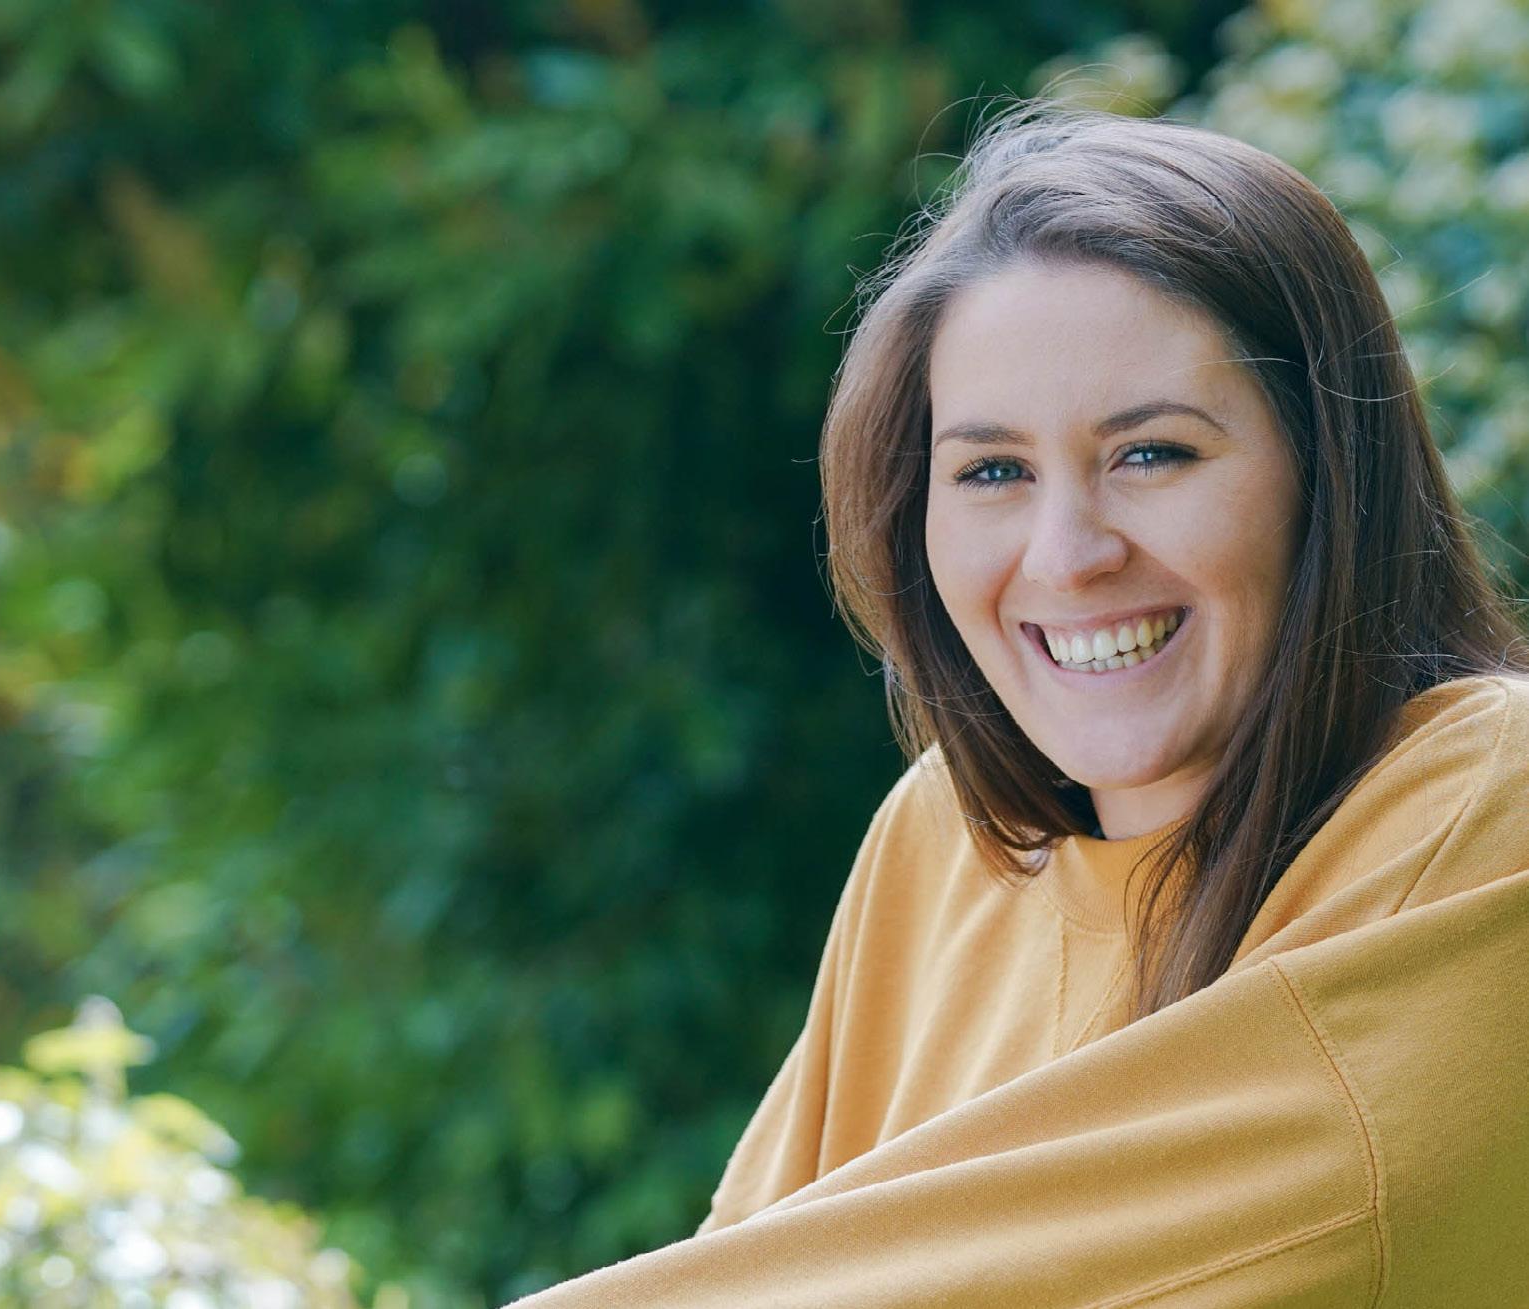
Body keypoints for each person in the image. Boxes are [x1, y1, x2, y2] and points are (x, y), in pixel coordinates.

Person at [507, 99, 1529, 1307]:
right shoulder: (944, 837)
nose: (1065, 555)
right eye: (991, 470)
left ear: (1329, 474)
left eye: (1150, 452)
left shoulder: (1489, 804)